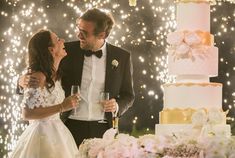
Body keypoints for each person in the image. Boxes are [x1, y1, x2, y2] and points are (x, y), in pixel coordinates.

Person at [18, 8, 135, 146]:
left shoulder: (122, 57)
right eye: (78, 29)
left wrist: (116, 105)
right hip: (68, 127)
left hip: (104, 129)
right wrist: (20, 81)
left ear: (101, 35)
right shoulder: (65, 51)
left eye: (84, 33)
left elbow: (129, 95)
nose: (78, 35)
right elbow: (40, 67)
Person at [12, 30, 79, 158]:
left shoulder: (55, 75)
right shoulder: (38, 77)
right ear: (51, 50)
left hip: (59, 133)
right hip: (41, 136)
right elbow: (27, 113)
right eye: (58, 39)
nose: (63, 41)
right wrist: (62, 107)